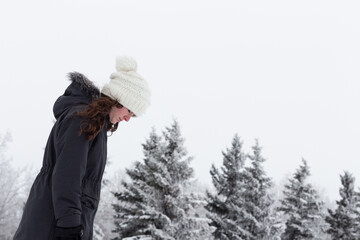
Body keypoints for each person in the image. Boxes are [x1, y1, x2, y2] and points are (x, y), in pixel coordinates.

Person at [13, 56, 151, 240]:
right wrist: (69, 226)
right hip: (53, 223)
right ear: (118, 100)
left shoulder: (95, 124)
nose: (127, 119)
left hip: (61, 220)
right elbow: (67, 174)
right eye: (129, 111)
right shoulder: (83, 119)